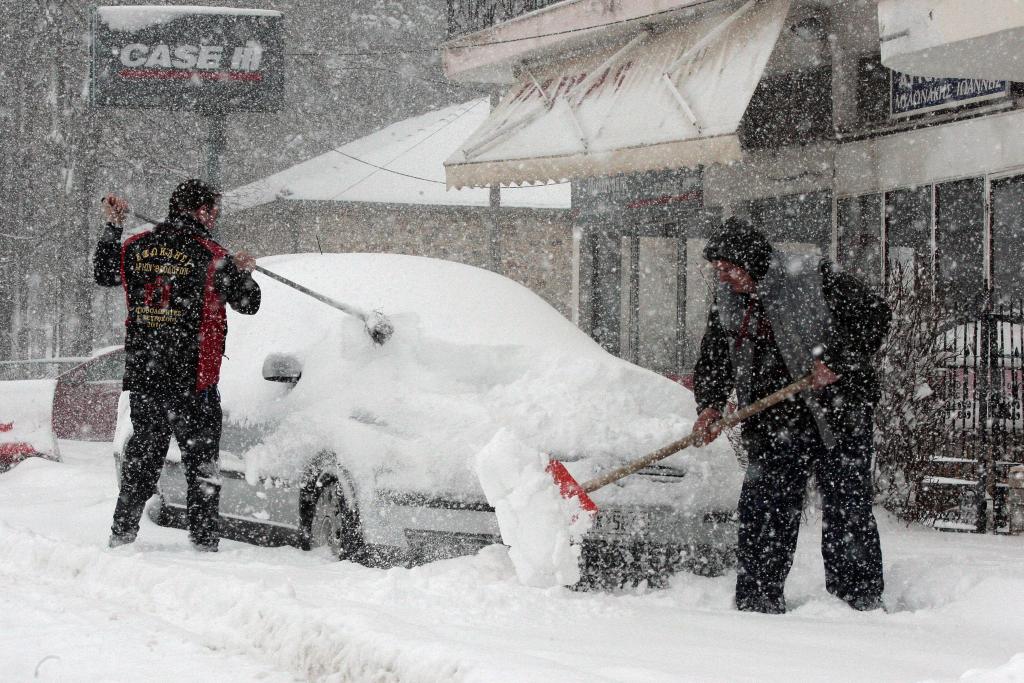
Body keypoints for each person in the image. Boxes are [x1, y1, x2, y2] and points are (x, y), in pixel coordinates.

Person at [691, 216, 889, 614]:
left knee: (846, 504)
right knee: (764, 506)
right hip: (774, 420)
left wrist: (835, 359)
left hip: (837, 412)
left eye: (730, 267)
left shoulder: (812, 278)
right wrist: (710, 403)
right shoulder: (728, 300)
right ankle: (758, 599)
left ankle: (859, 599)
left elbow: (875, 316)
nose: (724, 276)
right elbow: (715, 355)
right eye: (718, 269)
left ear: (751, 260)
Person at [94, 179, 261, 551]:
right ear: (201, 211)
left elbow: (104, 273)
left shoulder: (136, 247)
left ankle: (122, 534)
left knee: (143, 458)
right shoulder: (212, 255)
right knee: (202, 466)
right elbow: (250, 303)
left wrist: (113, 227)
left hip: (146, 375)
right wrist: (243, 271)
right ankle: (204, 542)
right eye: (213, 209)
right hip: (193, 381)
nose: (216, 216)